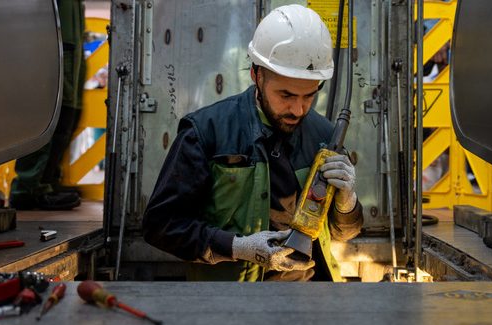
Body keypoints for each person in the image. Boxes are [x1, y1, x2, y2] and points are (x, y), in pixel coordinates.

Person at [142, 5, 363, 282]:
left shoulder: (325, 136)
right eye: (286, 95)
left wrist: (347, 203)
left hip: (309, 301)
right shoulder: (206, 131)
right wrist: (236, 248)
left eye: (309, 96)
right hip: (231, 306)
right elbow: (160, 225)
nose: (298, 109)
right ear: (256, 75)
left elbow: (344, 233)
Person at [10, 0, 86, 210]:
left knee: (70, 112)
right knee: (51, 111)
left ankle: (48, 181)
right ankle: (29, 187)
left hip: (70, 41)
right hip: (52, 42)